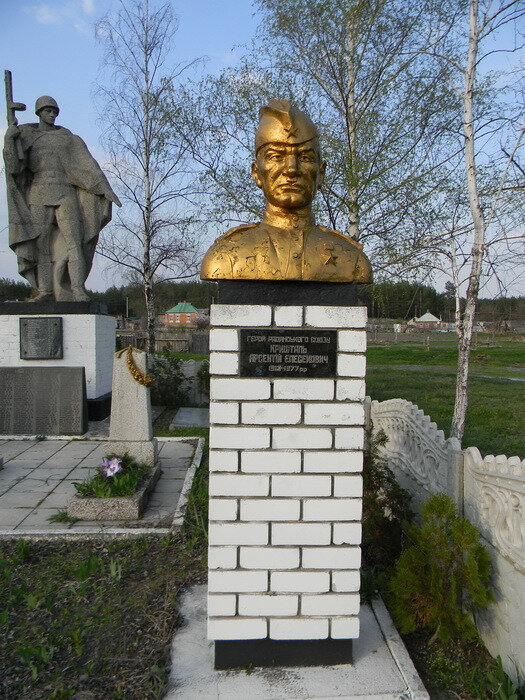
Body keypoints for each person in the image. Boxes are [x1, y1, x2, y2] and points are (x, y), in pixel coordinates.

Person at [201, 99, 371, 282]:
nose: (291, 169)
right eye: (276, 156)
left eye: (305, 157)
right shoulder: (226, 257)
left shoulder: (351, 260)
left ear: (320, 173)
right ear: (257, 173)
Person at [3, 95, 121, 301]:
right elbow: (14, 169)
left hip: (65, 192)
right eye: (48, 111)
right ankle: (45, 291)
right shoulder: (26, 136)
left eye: (54, 112)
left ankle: (77, 289)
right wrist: (9, 139)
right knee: (41, 245)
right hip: (38, 193)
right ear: (39, 112)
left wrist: (104, 189)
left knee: (74, 242)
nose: (52, 115)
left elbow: (88, 167)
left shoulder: (69, 138)